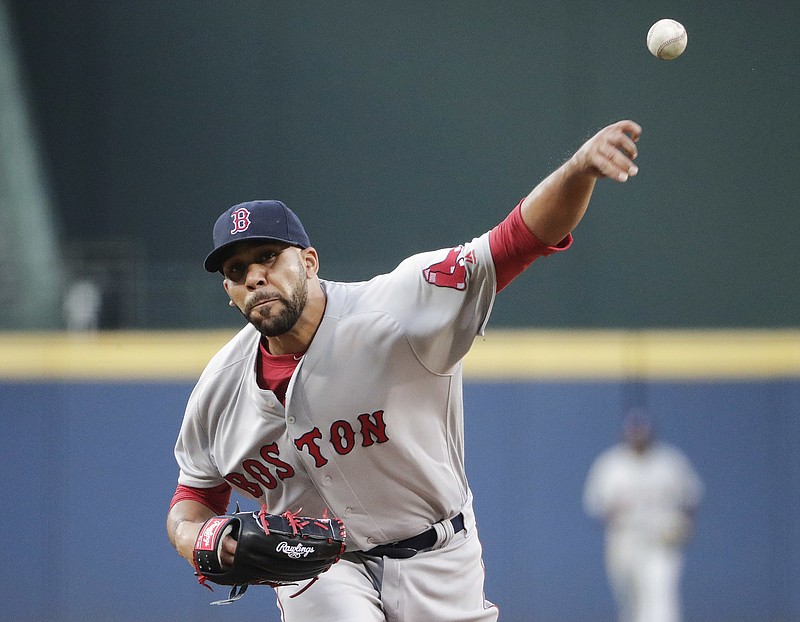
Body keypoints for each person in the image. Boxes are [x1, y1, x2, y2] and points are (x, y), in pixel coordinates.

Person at [166, 119, 642, 621]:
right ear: (228, 290)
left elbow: (516, 240)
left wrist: (578, 170)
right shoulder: (219, 390)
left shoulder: (396, 306)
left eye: (267, 256)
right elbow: (193, 497)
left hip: (437, 555)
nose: (255, 277)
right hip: (319, 571)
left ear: (308, 261)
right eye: (236, 272)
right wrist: (203, 537)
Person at [583, 409, 704, 622]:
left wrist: (685, 524)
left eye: (642, 433)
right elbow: (595, 505)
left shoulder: (669, 462)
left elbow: (692, 496)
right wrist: (615, 511)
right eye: (634, 433)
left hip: (661, 541)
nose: (638, 438)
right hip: (624, 540)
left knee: (660, 598)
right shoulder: (612, 465)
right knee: (630, 603)